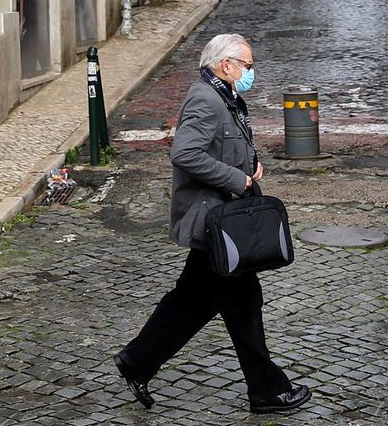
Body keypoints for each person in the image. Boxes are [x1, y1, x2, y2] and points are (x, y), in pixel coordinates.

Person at [115, 34, 311, 415]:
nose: (251, 73)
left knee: (192, 300)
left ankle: (137, 360)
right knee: (244, 305)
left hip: (222, 221)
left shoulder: (225, 96)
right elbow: (185, 153)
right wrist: (238, 180)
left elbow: (226, 144)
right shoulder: (205, 98)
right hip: (215, 223)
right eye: (248, 65)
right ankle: (267, 390)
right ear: (226, 65)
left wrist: (249, 164)